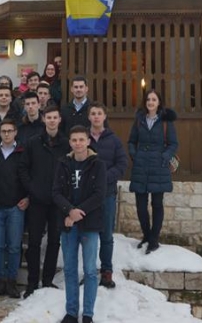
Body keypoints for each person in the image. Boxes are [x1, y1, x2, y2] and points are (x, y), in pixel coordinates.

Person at [52, 125, 107, 323]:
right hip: (68, 223)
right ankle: (71, 312)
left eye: (81, 140)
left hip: (89, 224)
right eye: (74, 140)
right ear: (70, 143)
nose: (78, 143)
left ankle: (88, 314)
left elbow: (99, 195)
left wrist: (76, 214)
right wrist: (69, 211)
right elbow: (56, 192)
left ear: (88, 141)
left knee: (91, 270)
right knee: (69, 269)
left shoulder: (98, 164)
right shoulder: (63, 163)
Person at [20, 104, 69, 298]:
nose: (51, 121)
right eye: (48, 117)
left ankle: (47, 280)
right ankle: (32, 281)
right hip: (37, 200)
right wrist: (32, 189)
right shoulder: (33, 142)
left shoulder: (66, 144)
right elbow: (23, 168)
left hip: (58, 202)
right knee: (33, 242)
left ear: (59, 120)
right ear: (43, 119)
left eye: (54, 117)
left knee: (54, 242)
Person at [128, 90, 179, 254]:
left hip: (159, 166)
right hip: (141, 166)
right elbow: (131, 141)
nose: (150, 102)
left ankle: (154, 239)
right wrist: (135, 155)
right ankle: (146, 235)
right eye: (148, 99)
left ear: (159, 102)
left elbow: (173, 143)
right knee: (140, 205)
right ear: (145, 102)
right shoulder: (139, 120)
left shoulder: (165, 122)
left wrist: (164, 157)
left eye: (154, 99)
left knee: (157, 204)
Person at [0, 119, 28, 298]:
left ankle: (11, 281)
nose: (7, 134)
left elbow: (28, 176)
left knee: (14, 247)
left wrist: (28, 197)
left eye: (10, 131)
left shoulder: (23, 152)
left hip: (15, 207)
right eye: (4, 131)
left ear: (15, 132)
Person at [87, 102, 127, 289]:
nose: (96, 116)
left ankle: (106, 272)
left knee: (106, 235)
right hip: (86, 196)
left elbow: (121, 165)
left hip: (107, 194)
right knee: (88, 235)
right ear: (89, 117)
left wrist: (103, 178)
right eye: (93, 113)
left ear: (104, 116)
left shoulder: (113, 140)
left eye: (99, 113)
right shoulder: (83, 138)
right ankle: (88, 271)